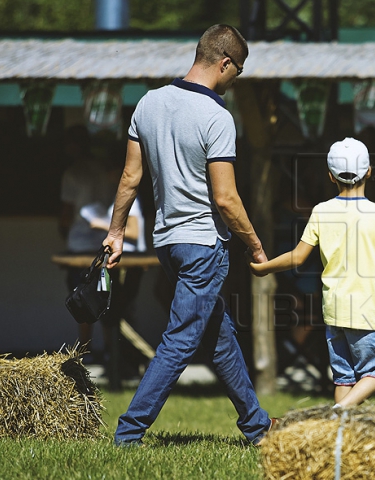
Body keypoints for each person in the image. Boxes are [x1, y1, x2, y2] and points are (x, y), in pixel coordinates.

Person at [102, 24, 276, 447]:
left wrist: (116, 231)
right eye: (238, 72)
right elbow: (226, 198)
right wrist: (255, 247)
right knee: (180, 340)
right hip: (203, 244)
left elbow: (130, 176)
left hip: (167, 242)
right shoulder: (216, 117)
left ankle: (256, 426)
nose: (235, 81)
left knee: (217, 333)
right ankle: (128, 434)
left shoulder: (148, 103)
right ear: (225, 63)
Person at [249, 138, 375, 408]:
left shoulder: (321, 211)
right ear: (369, 171)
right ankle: (338, 412)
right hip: (366, 312)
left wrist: (265, 268)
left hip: (334, 310)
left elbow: (298, 256)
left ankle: (340, 438)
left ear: (330, 176)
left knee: (344, 378)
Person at [58, 125, 117, 358]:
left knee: (81, 297)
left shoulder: (72, 173)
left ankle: (86, 350)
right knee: (105, 294)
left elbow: (66, 212)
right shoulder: (107, 171)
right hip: (106, 243)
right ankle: (112, 349)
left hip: (80, 244)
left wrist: (65, 235)